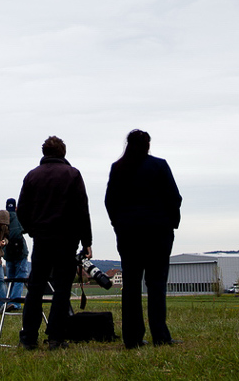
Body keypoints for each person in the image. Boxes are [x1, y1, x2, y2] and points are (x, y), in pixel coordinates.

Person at [104, 129, 183, 348]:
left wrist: (118, 224)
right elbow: (174, 197)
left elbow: (110, 201)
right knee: (156, 285)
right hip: (158, 232)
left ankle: (132, 337)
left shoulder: (118, 168)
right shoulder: (159, 166)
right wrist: (171, 223)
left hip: (129, 234)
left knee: (131, 285)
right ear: (148, 145)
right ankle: (160, 335)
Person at [17, 135, 93, 350]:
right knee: (61, 289)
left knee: (36, 287)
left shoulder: (32, 176)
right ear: (63, 153)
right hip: (67, 238)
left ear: (44, 153)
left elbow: (22, 209)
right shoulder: (72, 174)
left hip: (41, 238)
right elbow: (82, 210)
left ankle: (29, 336)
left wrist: (32, 229)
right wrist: (86, 240)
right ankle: (56, 337)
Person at [3, 197, 30, 310]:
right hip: (20, 252)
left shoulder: (3, 219)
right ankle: (15, 302)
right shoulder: (19, 217)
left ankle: (8, 301)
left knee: (10, 278)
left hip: (8, 253)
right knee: (20, 278)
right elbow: (26, 229)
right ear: (16, 207)